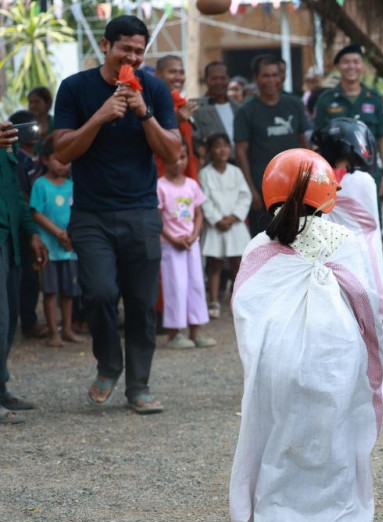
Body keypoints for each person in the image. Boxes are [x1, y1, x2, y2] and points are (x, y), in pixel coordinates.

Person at [229, 148, 383, 522]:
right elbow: (369, 307)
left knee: (280, 445)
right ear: (327, 193)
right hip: (336, 362)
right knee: (334, 444)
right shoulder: (344, 241)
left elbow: (246, 308)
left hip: (276, 364)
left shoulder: (260, 245)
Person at [52, 15, 181, 414]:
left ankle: (139, 386)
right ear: (106, 46)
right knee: (99, 293)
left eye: (139, 51)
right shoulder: (75, 88)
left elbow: (172, 152)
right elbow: (62, 151)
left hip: (141, 211)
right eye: (125, 48)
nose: (133, 57)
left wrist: (144, 113)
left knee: (141, 303)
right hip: (91, 213)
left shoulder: (154, 90)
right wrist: (100, 116)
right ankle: (108, 364)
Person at [314, 117, 383, 403]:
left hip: (331, 253)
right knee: (376, 314)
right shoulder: (362, 180)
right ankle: (374, 384)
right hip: (364, 254)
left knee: (340, 318)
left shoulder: (319, 179)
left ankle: (343, 382)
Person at [1, 115, 49, 424]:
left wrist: (32, 233)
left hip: (10, 240)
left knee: (9, 319)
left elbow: (16, 193)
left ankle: (1, 389)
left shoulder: (7, 146)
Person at [234, 54, 308, 237]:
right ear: (256, 78)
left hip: (295, 188)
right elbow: (240, 151)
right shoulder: (246, 111)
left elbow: (304, 143)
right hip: (263, 191)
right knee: (266, 241)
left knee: (299, 239)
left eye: (275, 75)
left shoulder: (294, 104)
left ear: (281, 76)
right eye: (266, 75)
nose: (271, 80)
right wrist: (251, 189)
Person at [311, 45, 383, 201]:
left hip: (370, 172)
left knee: (370, 215)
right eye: (346, 62)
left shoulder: (375, 99)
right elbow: (316, 141)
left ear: (363, 66)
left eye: (356, 62)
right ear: (338, 66)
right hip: (334, 175)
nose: (351, 66)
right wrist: (318, 175)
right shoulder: (325, 100)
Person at [157, 143, 214, 349]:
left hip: (191, 244)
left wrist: (194, 234)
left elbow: (198, 214)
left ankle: (195, 332)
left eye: (182, 157)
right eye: (173, 159)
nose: (178, 162)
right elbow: (157, 219)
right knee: (176, 287)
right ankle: (175, 334)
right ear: (163, 161)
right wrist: (173, 239)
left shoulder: (191, 184)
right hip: (171, 246)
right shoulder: (160, 186)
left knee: (196, 284)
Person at [29, 137, 84, 348]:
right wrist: (59, 233)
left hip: (69, 248)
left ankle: (67, 329)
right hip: (49, 249)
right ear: (45, 159)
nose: (63, 165)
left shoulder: (72, 186)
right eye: (58, 159)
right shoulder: (40, 185)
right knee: (50, 291)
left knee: (69, 291)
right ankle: (54, 333)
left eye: (67, 160)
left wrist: (70, 235)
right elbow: (36, 213)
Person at [199, 132, 252, 318]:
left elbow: (245, 196)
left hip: (234, 224)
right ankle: (213, 301)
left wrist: (233, 217)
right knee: (215, 265)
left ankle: (239, 299)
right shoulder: (205, 174)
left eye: (225, 146)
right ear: (209, 151)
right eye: (217, 146)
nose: (222, 150)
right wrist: (217, 219)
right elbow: (204, 199)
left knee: (238, 264)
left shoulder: (236, 172)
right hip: (216, 226)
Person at [9, 109, 47, 340]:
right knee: (27, 277)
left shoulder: (40, 156)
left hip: (42, 222)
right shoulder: (17, 158)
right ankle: (28, 323)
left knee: (35, 276)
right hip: (26, 225)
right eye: (29, 127)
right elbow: (21, 193)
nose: (35, 131)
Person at [155, 55, 200, 180]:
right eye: (172, 72)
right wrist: (175, 119)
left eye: (181, 72)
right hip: (162, 176)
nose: (178, 77)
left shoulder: (182, 103)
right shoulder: (152, 102)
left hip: (185, 175)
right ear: (158, 75)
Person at [192, 61, 239, 145]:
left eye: (223, 78)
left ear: (228, 79)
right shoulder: (195, 108)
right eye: (214, 79)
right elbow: (194, 140)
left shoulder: (238, 108)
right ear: (206, 80)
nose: (219, 82)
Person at [27, 87, 54, 151]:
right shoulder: (24, 125)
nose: (32, 106)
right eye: (30, 102)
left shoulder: (56, 124)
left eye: (37, 102)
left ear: (47, 103)